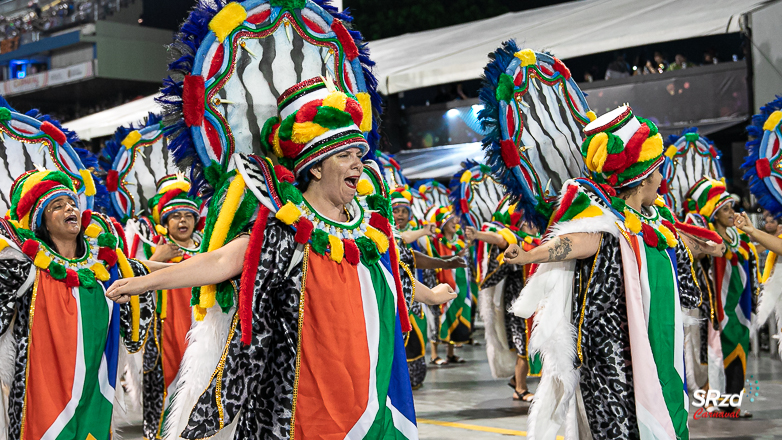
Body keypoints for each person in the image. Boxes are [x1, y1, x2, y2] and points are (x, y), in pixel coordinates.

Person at [107, 78, 457, 439]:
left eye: (359, 155)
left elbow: (388, 281)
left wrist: (429, 295)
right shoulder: (287, 228)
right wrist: (144, 281)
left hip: (373, 385)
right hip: (304, 397)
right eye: (345, 156)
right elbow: (220, 263)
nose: (359, 163)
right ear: (317, 167)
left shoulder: (369, 230)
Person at [503, 106, 704, 439]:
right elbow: (576, 241)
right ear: (643, 178)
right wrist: (529, 255)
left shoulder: (656, 222)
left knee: (670, 414)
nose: (662, 180)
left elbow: (673, 253)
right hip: (618, 359)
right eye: (658, 171)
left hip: (663, 348)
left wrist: (702, 248)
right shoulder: (612, 222)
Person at [0, 169, 154, 438]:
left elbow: (143, 269)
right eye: (57, 206)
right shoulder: (26, 266)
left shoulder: (103, 265)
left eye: (72, 203)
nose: (69, 208)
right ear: (43, 223)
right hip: (42, 391)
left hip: (95, 388)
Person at [128, 174, 203, 439]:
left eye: (188, 215)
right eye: (176, 216)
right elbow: (129, 280)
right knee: (162, 390)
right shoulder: (150, 249)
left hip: (200, 329)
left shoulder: (207, 248)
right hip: (162, 332)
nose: (182, 221)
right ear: (165, 222)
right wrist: (157, 258)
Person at [684, 178, 758, 418]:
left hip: (739, 308)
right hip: (717, 310)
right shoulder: (710, 240)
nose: (731, 213)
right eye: (725, 209)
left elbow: (750, 266)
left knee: (739, 352)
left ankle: (732, 406)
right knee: (717, 354)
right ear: (714, 214)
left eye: (731, 208)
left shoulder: (739, 238)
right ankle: (716, 404)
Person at [391, 186, 467, 389]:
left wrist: (444, 263)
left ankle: (409, 382)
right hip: (391, 301)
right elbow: (404, 243)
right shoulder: (386, 232)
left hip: (411, 295)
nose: (400, 215)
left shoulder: (398, 236)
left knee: (417, 337)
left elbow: (408, 258)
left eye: (404, 211)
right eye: (396, 210)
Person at [466, 199, 541, 402]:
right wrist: (478, 235)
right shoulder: (517, 240)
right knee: (524, 346)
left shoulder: (540, 240)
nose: (532, 223)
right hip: (519, 304)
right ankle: (520, 388)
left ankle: (517, 380)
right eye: (528, 220)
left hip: (537, 302)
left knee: (535, 344)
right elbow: (499, 239)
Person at [420, 206, 473, 365]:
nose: (454, 222)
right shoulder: (435, 241)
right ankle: (435, 354)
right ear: (443, 224)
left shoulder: (460, 240)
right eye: (450, 220)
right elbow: (433, 259)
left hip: (461, 282)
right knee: (439, 315)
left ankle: (451, 353)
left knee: (456, 313)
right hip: (442, 280)